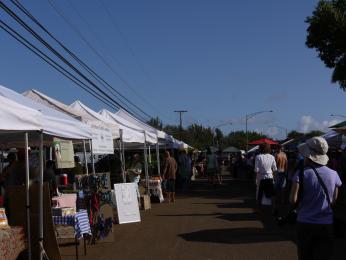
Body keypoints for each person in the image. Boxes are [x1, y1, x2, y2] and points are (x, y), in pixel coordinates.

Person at [290, 137, 342, 260]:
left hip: (305, 223)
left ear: (309, 155)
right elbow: (333, 201)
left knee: (305, 256)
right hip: (326, 223)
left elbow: (292, 200)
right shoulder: (334, 174)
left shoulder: (301, 174)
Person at [254, 143, 277, 213]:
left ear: (260, 148)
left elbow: (256, 170)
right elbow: (275, 169)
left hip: (261, 177)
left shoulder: (258, 157)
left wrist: (255, 179)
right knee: (272, 194)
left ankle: (259, 210)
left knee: (259, 194)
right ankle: (273, 209)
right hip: (270, 177)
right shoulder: (272, 157)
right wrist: (274, 178)